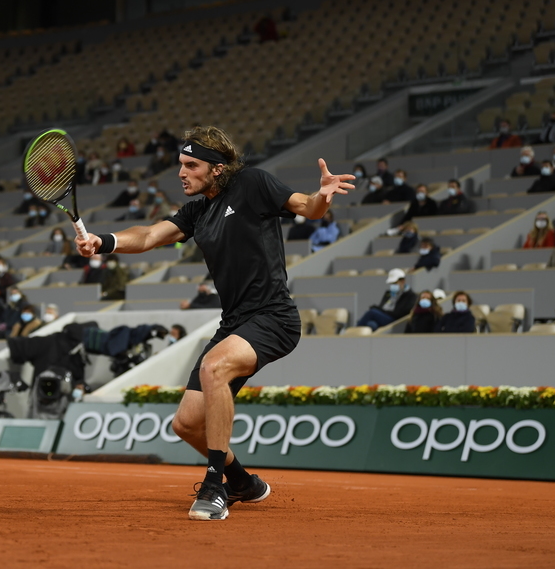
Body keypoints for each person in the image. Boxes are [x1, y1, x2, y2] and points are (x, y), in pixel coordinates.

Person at [73, 124, 355, 521]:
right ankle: (243, 483)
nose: (182, 172)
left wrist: (322, 197)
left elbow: (307, 207)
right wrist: (103, 241)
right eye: (180, 165)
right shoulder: (197, 210)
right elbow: (151, 234)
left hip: (273, 316)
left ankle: (213, 486)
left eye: (191, 165)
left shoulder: (253, 183)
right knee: (186, 424)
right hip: (235, 322)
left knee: (214, 367)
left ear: (217, 168)